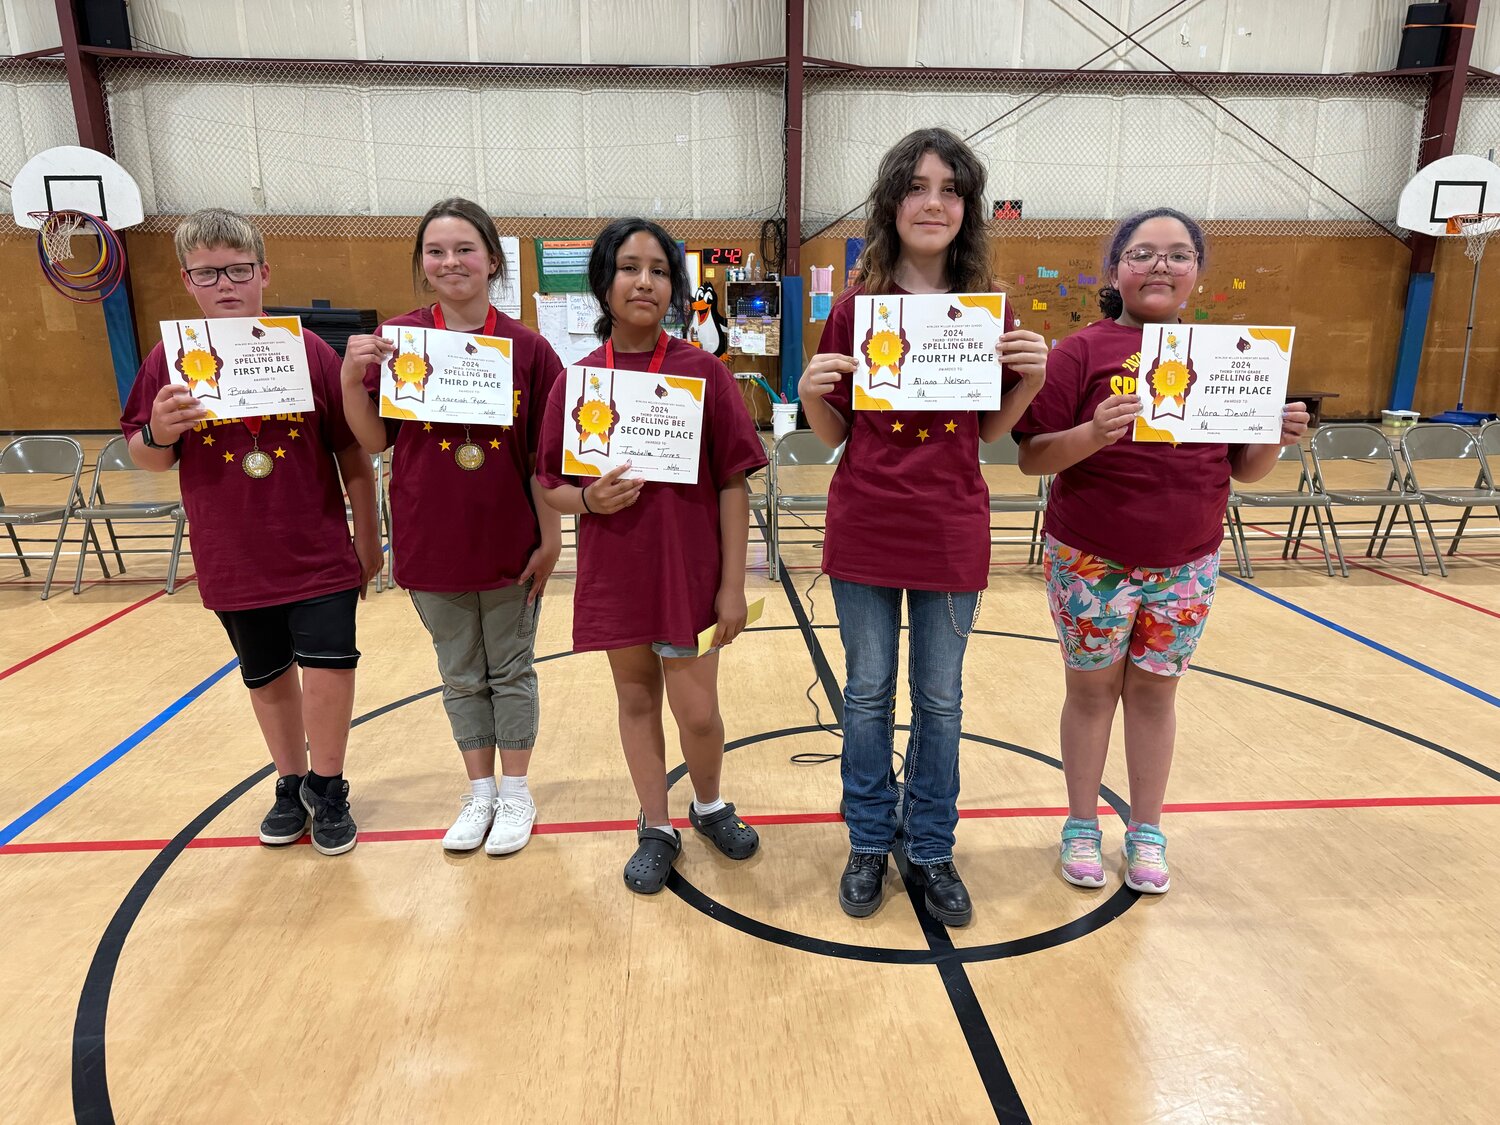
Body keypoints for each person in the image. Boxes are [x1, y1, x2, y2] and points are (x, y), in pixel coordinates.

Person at [1014, 207, 1309, 894]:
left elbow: (1246, 468)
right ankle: (1081, 823)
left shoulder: (1233, 356)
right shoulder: (1079, 353)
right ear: (1116, 268)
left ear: (1197, 275)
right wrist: (1092, 435)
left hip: (1187, 560)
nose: (1160, 266)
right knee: (1090, 693)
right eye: (1143, 252)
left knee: (1154, 696)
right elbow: (1031, 457)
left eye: (1178, 255)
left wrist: (1275, 433)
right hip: (1091, 558)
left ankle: (1147, 828)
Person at [797, 128, 1049, 925]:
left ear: (967, 208)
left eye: (949, 188)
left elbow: (989, 436)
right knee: (868, 695)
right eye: (916, 186)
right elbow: (833, 434)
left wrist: (1030, 379)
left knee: (940, 700)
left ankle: (931, 846)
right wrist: (809, 390)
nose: (933, 202)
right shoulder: (854, 310)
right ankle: (870, 839)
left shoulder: (989, 313)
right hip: (867, 522)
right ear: (892, 204)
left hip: (949, 526)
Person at [121, 207, 380, 856]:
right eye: (208, 273)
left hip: (317, 549)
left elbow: (352, 452)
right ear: (188, 281)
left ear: (263, 271)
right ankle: (290, 780)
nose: (225, 283)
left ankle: (329, 783)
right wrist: (158, 430)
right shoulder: (169, 360)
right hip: (231, 553)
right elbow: (147, 456)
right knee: (266, 678)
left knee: (329, 669)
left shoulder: (308, 350)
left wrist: (369, 538)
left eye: (238, 269)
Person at [534, 217, 768, 894]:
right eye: (629, 267)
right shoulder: (577, 382)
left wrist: (732, 584)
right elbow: (547, 482)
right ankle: (656, 825)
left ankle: (710, 804)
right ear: (603, 282)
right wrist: (588, 503)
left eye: (660, 270)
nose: (645, 281)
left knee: (698, 710)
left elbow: (732, 483)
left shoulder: (703, 373)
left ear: (676, 286)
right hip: (619, 574)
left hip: (691, 575)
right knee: (635, 699)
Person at [340, 198, 563, 855]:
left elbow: (542, 456)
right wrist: (353, 378)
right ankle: (481, 794)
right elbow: (376, 439)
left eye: (465, 249)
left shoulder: (528, 348)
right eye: (436, 251)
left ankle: (517, 794)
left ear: (493, 259)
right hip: (428, 536)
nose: (451, 261)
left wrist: (551, 538)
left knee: (513, 669)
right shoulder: (398, 341)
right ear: (422, 265)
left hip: (509, 541)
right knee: (461, 672)